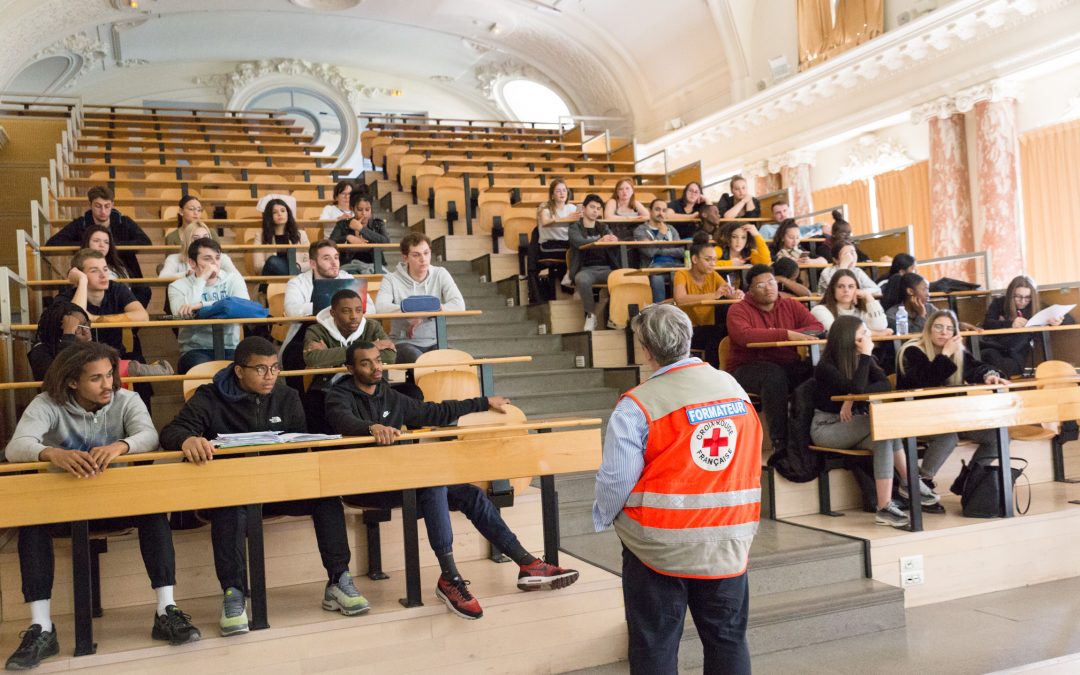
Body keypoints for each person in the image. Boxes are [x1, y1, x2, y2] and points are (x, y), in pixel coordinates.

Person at [324, 341, 579, 620]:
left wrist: (483, 402)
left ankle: (528, 564)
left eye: (378, 360)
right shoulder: (338, 395)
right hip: (365, 486)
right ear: (350, 368)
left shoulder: (389, 395)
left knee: (470, 494)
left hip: (401, 480)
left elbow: (435, 411)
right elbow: (342, 420)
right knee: (434, 481)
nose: (376, 367)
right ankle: (450, 578)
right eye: (366, 363)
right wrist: (369, 428)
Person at [4, 342, 200, 669]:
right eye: (96, 378)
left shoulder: (127, 399)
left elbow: (148, 435)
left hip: (116, 502)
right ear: (71, 382)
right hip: (61, 505)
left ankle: (166, 610)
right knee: (31, 521)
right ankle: (42, 627)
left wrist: (120, 446)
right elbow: (16, 447)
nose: (108, 383)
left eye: (110, 375)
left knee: (153, 510)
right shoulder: (46, 404)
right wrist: (52, 453)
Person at [159, 337, 371, 636]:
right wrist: (187, 439)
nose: (270, 376)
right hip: (233, 490)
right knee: (228, 508)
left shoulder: (286, 395)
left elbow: (298, 445)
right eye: (261, 369)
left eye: (275, 368)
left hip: (279, 486)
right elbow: (172, 430)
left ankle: (339, 580)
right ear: (239, 371)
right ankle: (233, 594)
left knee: (325, 498)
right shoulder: (209, 396)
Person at [593, 304, 761, 674]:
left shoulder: (637, 405)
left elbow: (616, 480)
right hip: (728, 540)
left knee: (655, 643)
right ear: (688, 339)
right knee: (728, 639)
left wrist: (607, 516)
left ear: (646, 350)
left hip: (658, 549)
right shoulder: (733, 388)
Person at [811, 316, 922, 527]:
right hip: (827, 428)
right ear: (847, 336)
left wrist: (850, 398)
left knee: (883, 436)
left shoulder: (863, 359)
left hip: (854, 424)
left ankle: (884, 507)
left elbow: (884, 385)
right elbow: (859, 387)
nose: (867, 337)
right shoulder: (825, 366)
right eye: (862, 333)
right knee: (883, 423)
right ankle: (911, 483)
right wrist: (856, 387)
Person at [897, 310, 1010, 491]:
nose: (944, 332)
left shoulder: (957, 353)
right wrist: (945, 354)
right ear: (928, 329)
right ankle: (921, 483)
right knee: (948, 436)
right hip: (917, 418)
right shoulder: (911, 351)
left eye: (950, 329)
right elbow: (927, 381)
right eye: (939, 327)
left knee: (997, 435)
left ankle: (969, 481)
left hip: (951, 416)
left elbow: (977, 367)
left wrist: (990, 375)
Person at [726, 264, 824, 450]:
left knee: (818, 373)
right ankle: (780, 443)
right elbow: (745, 336)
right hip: (746, 368)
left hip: (786, 364)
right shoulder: (738, 310)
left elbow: (817, 328)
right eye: (761, 285)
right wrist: (786, 334)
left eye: (771, 282)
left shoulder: (790, 305)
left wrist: (790, 333)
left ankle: (809, 436)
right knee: (773, 376)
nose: (769, 288)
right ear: (751, 291)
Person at [374, 232, 465, 364]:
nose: (423, 259)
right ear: (405, 258)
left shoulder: (440, 273)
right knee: (420, 361)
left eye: (426, 253)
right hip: (402, 343)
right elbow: (380, 308)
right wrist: (410, 313)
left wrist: (423, 314)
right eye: (416, 255)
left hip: (435, 341)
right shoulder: (391, 279)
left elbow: (459, 305)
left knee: (461, 362)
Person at [167, 238, 249, 373]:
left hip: (230, 347)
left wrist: (201, 305)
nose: (214, 263)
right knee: (204, 372)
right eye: (207, 259)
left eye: (217, 258)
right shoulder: (177, 286)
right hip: (195, 350)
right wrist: (201, 280)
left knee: (244, 372)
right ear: (192, 263)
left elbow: (243, 307)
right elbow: (180, 315)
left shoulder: (233, 279)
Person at [280, 239, 357, 368]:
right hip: (308, 333)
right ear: (313, 263)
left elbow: (370, 308)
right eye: (327, 258)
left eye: (336, 257)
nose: (334, 263)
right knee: (293, 354)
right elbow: (291, 310)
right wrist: (332, 306)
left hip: (348, 332)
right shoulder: (297, 282)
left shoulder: (349, 279)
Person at [56, 249, 149, 356]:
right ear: (79, 274)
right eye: (94, 270)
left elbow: (143, 316)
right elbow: (76, 321)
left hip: (115, 357)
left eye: (105, 269)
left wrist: (96, 319)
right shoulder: (67, 294)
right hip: (80, 358)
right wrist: (82, 281)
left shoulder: (116, 288)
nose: (103, 275)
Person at [46, 186, 151, 280]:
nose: (103, 211)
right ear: (90, 205)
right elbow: (52, 243)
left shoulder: (124, 222)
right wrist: (88, 246)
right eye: (98, 206)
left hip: (123, 270)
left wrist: (111, 246)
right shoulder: (80, 223)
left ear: (112, 205)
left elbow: (145, 242)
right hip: (88, 272)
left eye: (107, 206)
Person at [979, 275, 1068, 377]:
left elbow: (1069, 318)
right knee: (988, 355)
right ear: (1010, 294)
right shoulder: (999, 303)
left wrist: (1058, 321)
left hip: (1016, 355)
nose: (1022, 301)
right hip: (996, 348)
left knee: (1000, 366)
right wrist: (1010, 324)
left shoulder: (1035, 305)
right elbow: (987, 323)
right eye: (1017, 296)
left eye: (1027, 297)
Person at [673, 239, 742, 368]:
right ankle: (715, 370)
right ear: (694, 259)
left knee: (725, 329)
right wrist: (714, 295)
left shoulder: (713, 275)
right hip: (689, 331)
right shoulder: (681, 274)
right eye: (708, 259)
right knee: (719, 332)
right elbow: (680, 299)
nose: (712, 264)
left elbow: (728, 292)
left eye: (715, 260)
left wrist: (737, 294)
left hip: (710, 327)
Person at [569, 194, 620, 331]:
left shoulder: (603, 227)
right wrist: (599, 241)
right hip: (586, 269)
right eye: (592, 207)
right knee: (581, 279)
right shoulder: (575, 227)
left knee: (621, 279)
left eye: (598, 208)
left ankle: (614, 316)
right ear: (584, 208)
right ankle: (590, 316)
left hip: (606, 269)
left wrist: (613, 239)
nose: (595, 211)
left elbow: (611, 240)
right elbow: (579, 242)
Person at [80, 224, 151, 309]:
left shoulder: (120, 269)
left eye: (106, 242)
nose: (102, 245)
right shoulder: (78, 269)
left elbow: (127, 297)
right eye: (96, 241)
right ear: (87, 242)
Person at [529, 178, 576, 300]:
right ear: (552, 195)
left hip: (566, 244)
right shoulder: (545, 208)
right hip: (549, 246)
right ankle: (570, 276)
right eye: (558, 191)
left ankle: (572, 277)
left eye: (564, 190)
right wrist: (567, 218)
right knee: (574, 251)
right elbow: (545, 222)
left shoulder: (572, 208)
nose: (562, 193)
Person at [812, 269, 891, 336]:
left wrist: (868, 297)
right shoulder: (820, 310)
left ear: (857, 289)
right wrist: (876, 334)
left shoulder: (861, 311)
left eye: (851, 286)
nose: (846, 290)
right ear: (833, 289)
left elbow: (881, 326)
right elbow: (839, 333)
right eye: (840, 286)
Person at [634, 199, 685, 303]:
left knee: (687, 275)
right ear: (650, 211)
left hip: (675, 265)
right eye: (657, 209)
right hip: (653, 266)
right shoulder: (640, 230)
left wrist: (660, 249)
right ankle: (660, 310)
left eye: (663, 210)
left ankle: (683, 310)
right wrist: (661, 233)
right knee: (657, 278)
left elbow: (681, 251)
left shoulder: (671, 229)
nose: (661, 213)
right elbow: (650, 252)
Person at [329, 192, 388, 273]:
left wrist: (361, 229)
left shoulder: (378, 224)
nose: (364, 213)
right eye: (360, 210)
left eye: (367, 209)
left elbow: (386, 242)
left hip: (375, 264)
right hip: (349, 264)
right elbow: (330, 243)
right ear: (353, 208)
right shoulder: (343, 224)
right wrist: (347, 237)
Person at [252, 198, 309, 280]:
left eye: (283, 211)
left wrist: (297, 267)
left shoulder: (301, 234)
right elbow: (258, 266)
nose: (279, 214)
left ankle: (295, 278)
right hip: (271, 279)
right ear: (269, 216)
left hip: (297, 273)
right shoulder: (260, 236)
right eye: (274, 212)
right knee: (272, 261)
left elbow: (310, 261)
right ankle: (297, 280)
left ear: (288, 213)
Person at [158, 220, 239, 278]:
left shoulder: (222, 257)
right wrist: (187, 274)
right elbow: (162, 277)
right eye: (196, 239)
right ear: (187, 240)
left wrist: (213, 272)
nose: (202, 242)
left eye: (205, 237)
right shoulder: (173, 258)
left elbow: (237, 277)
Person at [816, 241, 880, 296]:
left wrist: (860, 292)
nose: (851, 257)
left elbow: (876, 289)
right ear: (836, 260)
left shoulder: (857, 271)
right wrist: (843, 266)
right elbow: (835, 290)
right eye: (846, 254)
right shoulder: (827, 271)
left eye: (853, 252)